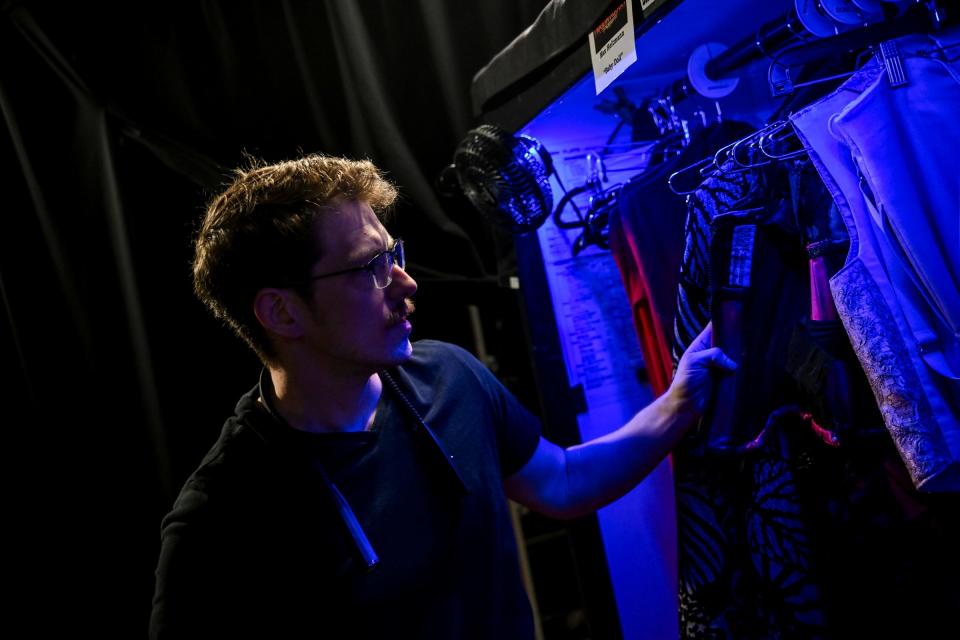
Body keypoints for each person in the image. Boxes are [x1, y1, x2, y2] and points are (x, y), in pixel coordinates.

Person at [148, 153, 735, 639]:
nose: (406, 283)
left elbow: (560, 480)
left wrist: (678, 405)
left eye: (393, 254)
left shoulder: (450, 376)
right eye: (370, 268)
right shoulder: (217, 523)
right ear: (281, 311)